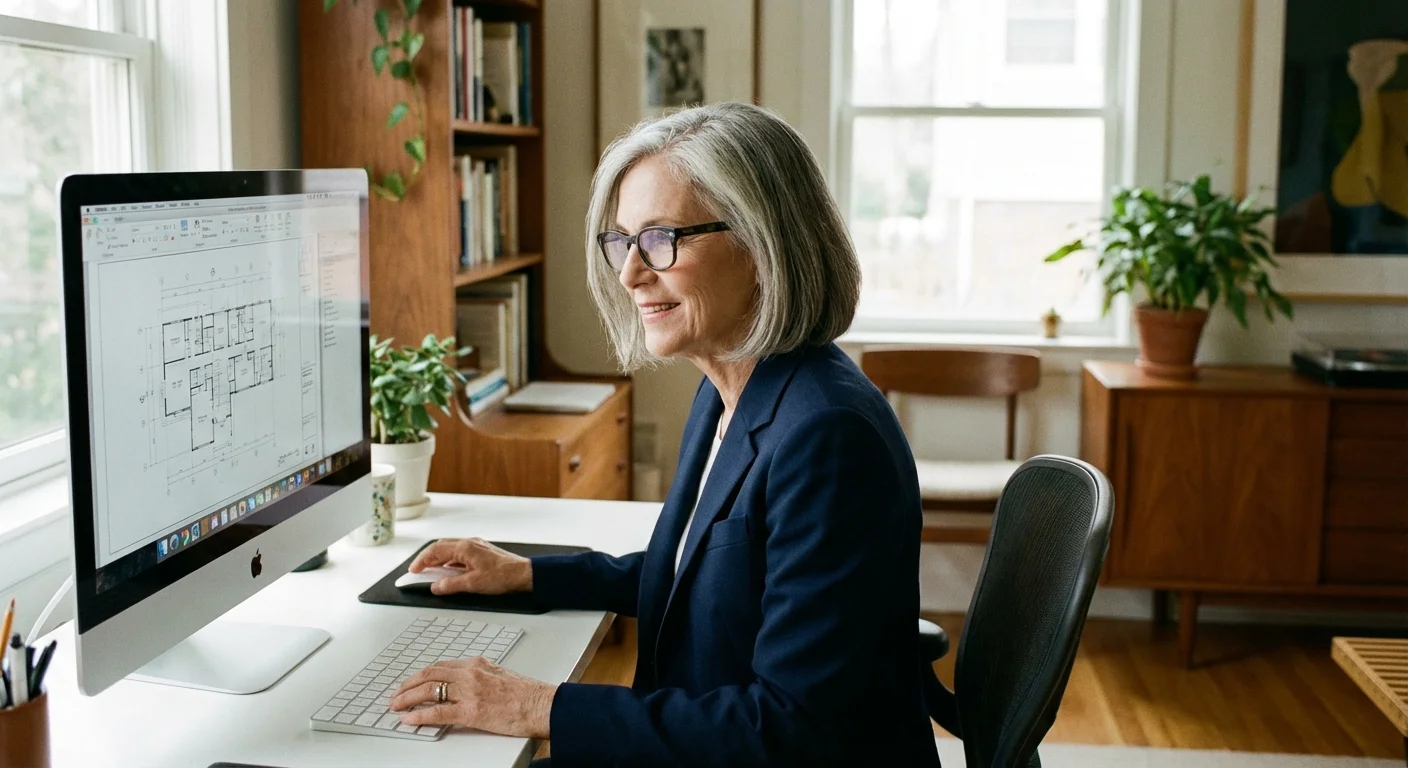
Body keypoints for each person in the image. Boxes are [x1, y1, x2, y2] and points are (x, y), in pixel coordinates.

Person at [390, 101, 939, 766]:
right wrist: (530, 574)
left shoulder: (828, 437)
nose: (630, 273)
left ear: (762, 246)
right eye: (623, 241)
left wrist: (537, 706)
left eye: (660, 239)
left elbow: (794, 732)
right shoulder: (728, 389)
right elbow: (705, 572)